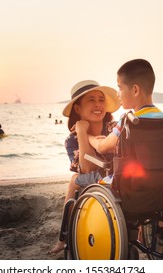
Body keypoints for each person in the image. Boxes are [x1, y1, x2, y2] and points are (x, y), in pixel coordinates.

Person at [50, 80, 120, 254]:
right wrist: (82, 133)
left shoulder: (113, 128)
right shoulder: (72, 140)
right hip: (97, 181)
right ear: (78, 109)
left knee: (74, 181)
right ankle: (64, 236)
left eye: (101, 100)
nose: (98, 104)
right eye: (91, 100)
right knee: (76, 180)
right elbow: (87, 170)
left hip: (119, 176)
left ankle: (63, 237)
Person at [89, 59, 163, 154]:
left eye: (120, 88)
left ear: (135, 90)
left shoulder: (128, 122)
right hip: (160, 169)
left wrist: (87, 136)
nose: (118, 94)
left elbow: (101, 147)